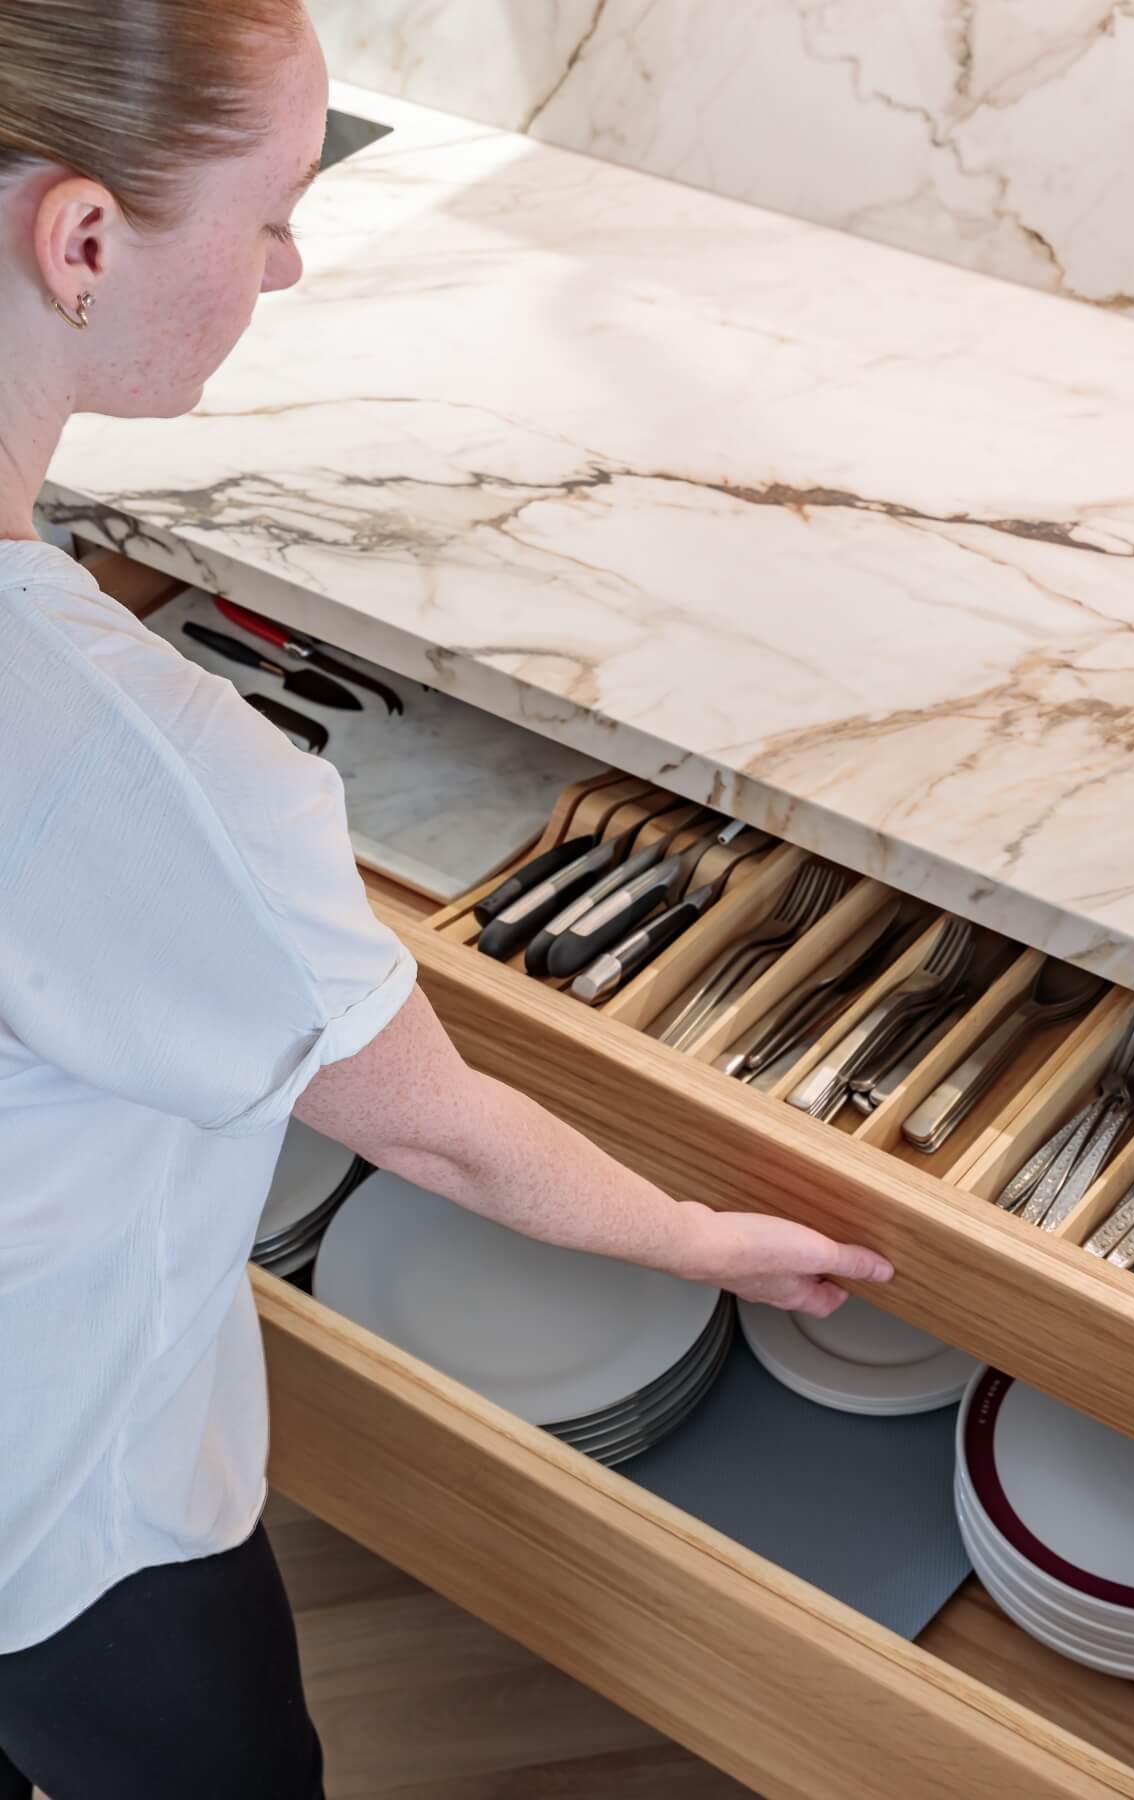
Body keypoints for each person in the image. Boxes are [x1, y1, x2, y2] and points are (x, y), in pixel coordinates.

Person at [0, 6, 894, 1795]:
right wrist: (703, 1240)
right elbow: (449, 1138)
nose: (289, 260)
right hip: (51, 1506)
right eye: (266, 211)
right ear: (82, 239)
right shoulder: (140, 761)